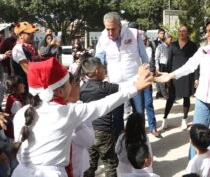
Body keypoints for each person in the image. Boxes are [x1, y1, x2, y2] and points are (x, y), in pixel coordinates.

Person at [11, 57, 152, 177]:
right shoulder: (66, 113)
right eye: (69, 83)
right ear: (60, 90)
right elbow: (104, 105)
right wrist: (136, 87)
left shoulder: (21, 113)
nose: (73, 86)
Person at [156, 19, 210, 176]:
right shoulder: (203, 50)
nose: (208, 34)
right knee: (195, 139)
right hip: (202, 101)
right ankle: (193, 172)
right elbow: (189, 66)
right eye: (207, 31)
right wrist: (170, 75)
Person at [95, 12, 155, 138]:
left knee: (138, 113)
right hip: (115, 84)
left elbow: (143, 56)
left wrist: (146, 74)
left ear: (119, 25)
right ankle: (120, 145)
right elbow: (99, 59)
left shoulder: (134, 34)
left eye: (113, 29)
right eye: (107, 29)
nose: (110, 33)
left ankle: (139, 142)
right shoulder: (103, 37)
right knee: (117, 117)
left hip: (135, 81)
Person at [77, 57, 118, 177]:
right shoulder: (105, 87)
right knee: (110, 163)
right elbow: (123, 89)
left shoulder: (82, 88)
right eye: (102, 67)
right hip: (104, 131)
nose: (105, 70)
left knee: (90, 165)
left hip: (88, 131)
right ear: (97, 71)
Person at [160, 25, 198, 130]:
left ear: (188, 33)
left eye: (184, 31)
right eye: (180, 31)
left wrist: (196, 77)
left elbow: (196, 63)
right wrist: (168, 76)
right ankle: (165, 119)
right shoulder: (173, 45)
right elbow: (169, 62)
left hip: (187, 75)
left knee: (186, 97)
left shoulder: (192, 45)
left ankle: (184, 119)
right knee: (170, 98)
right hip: (174, 74)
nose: (181, 33)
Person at [67, 72, 94, 177]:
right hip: (76, 168)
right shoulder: (75, 112)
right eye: (76, 85)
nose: (78, 87)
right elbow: (88, 140)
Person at [11, 21, 39, 95]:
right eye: (29, 33)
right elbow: (28, 70)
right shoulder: (18, 48)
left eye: (33, 33)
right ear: (20, 35)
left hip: (30, 87)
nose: (32, 35)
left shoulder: (28, 47)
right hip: (24, 89)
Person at [4, 76, 26, 140]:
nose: (24, 85)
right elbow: (18, 120)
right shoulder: (16, 103)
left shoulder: (12, 96)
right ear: (16, 88)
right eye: (22, 84)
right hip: (14, 133)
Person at [155, 33, 172, 99]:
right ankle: (166, 96)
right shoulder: (160, 47)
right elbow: (156, 58)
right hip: (162, 65)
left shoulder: (171, 46)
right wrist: (157, 66)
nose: (171, 40)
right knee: (162, 82)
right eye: (170, 39)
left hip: (168, 65)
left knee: (168, 80)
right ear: (166, 39)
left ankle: (163, 94)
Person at [153, 28, 166, 99]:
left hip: (163, 63)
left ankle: (161, 93)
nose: (162, 35)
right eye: (161, 33)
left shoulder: (165, 42)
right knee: (158, 79)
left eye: (163, 33)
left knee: (162, 79)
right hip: (156, 62)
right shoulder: (154, 42)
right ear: (158, 34)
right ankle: (160, 93)